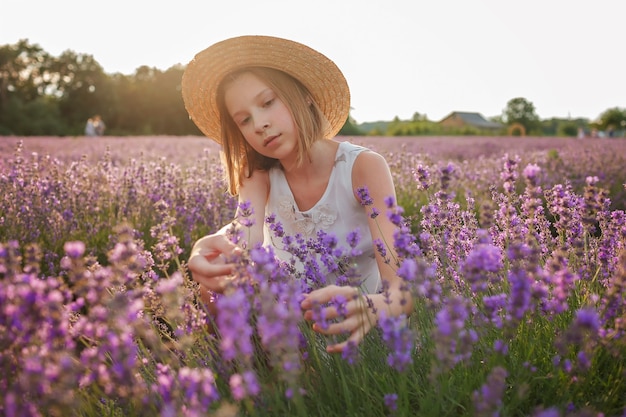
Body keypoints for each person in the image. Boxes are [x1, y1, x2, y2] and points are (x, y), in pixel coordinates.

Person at [182, 35, 413, 353]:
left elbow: (402, 290)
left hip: (360, 333)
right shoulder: (259, 174)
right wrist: (204, 248)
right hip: (291, 335)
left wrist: (377, 306)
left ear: (303, 95)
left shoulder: (363, 168)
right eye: (245, 120)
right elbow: (243, 234)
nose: (260, 124)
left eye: (267, 103)